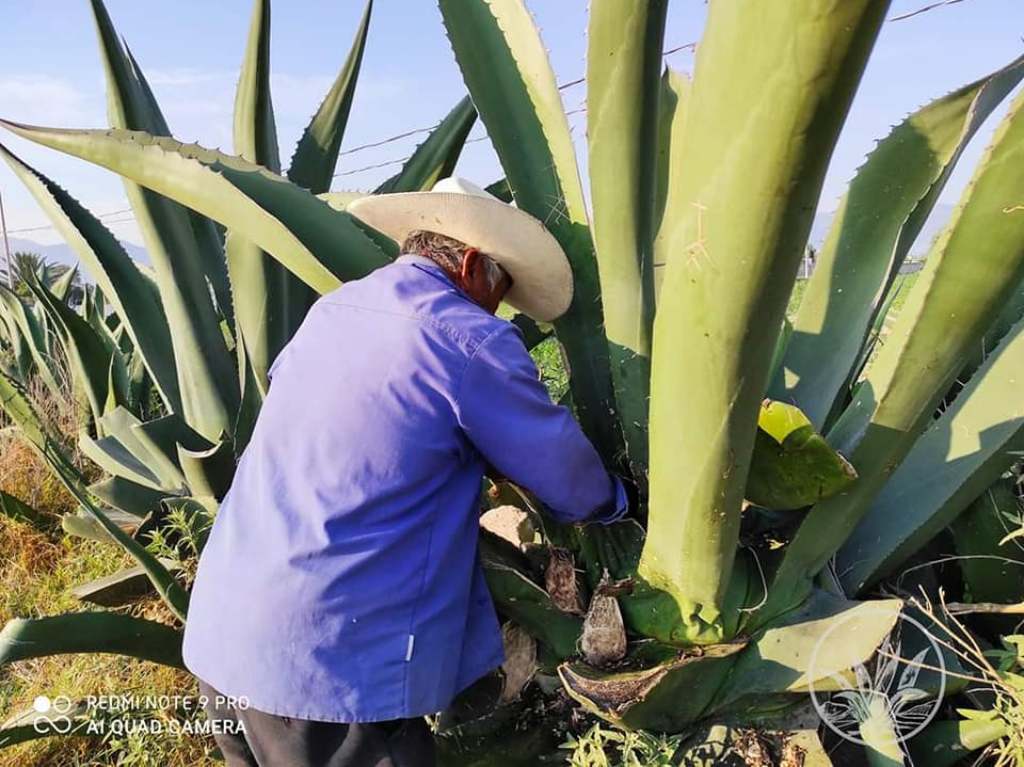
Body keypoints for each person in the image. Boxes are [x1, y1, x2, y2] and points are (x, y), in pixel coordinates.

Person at [182, 177, 630, 766]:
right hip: (329, 667)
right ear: (472, 264)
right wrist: (620, 506)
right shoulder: (467, 338)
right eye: (501, 290)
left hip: (225, 641)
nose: (499, 310)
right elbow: (569, 478)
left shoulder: (332, 310)